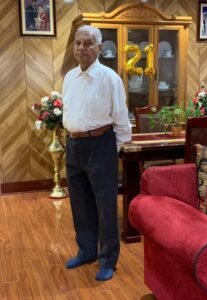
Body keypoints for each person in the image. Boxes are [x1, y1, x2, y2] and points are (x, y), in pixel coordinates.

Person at [62, 25, 132, 281]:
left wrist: (108, 150)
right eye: (78, 43)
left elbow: (122, 122)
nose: (81, 48)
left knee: (105, 206)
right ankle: (87, 251)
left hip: (101, 144)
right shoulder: (69, 77)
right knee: (80, 203)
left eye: (88, 43)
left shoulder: (109, 78)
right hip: (73, 145)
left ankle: (108, 259)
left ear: (99, 48)